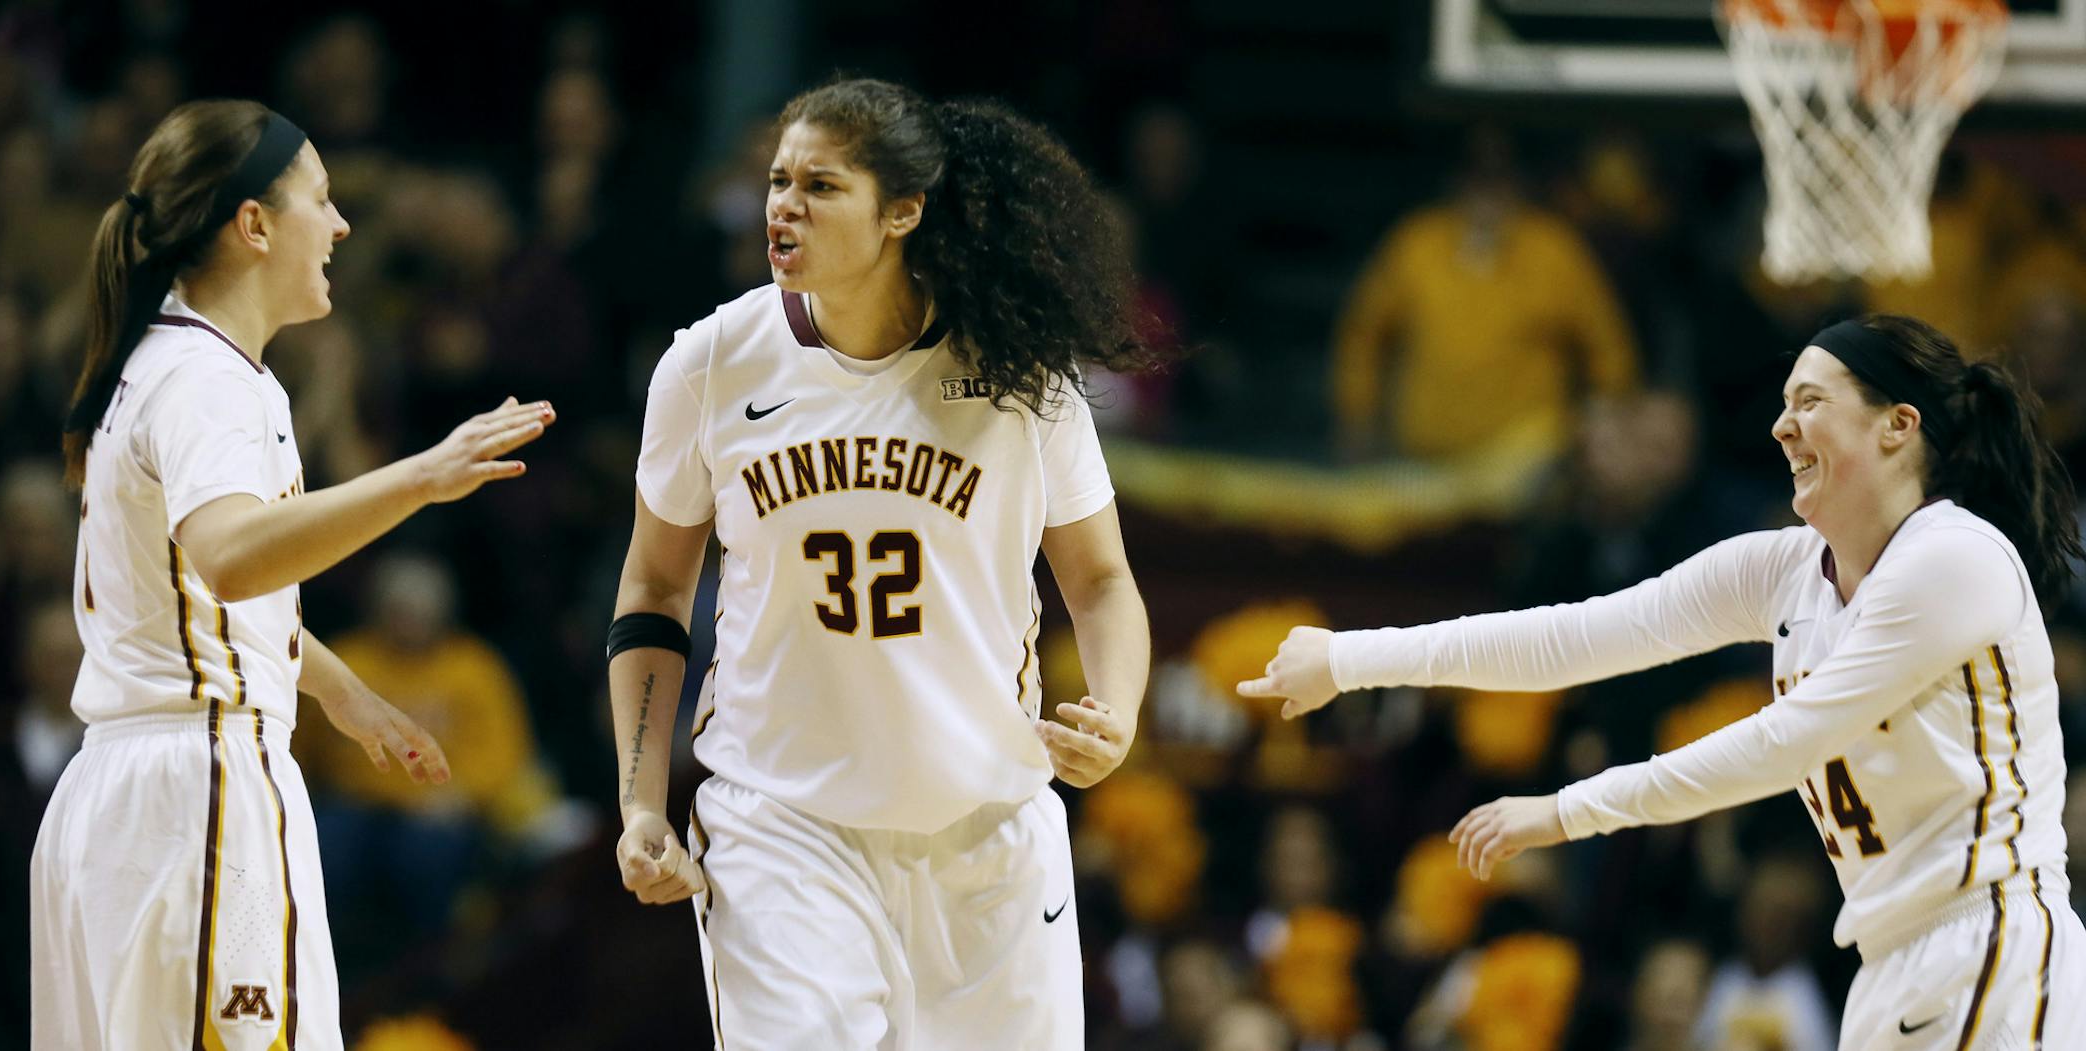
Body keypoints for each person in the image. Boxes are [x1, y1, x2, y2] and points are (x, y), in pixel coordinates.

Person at [1242, 314, 2086, 1047]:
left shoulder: (1954, 556)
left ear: (1898, 425)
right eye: (1784, 402)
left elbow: (1782, 743)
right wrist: (1351, 658)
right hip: (1890, 962)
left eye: (1812, 401)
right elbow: (1579, 636)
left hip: (1991, 941)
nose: (1782, 427)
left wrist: (1568, 810)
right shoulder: (1783, 570)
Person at [606, 77, 1154, 1049]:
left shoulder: (1019, 369)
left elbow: (1102, 581)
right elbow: (652, 588)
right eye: (779, 180)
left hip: (988, 828)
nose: (784, 203)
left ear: (902, 210)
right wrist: (641, 801)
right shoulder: (711, 362)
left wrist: (1115, 710)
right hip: (783, 824)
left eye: (822, 185)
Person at [32, 100, 555, 1050]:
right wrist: (422, 477)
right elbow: (233, 556)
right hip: (202, 791)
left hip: (115, 801)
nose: (343, 224)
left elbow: (191, 584)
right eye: (323, 198)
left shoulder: (154, 363)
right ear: (254, 224)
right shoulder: (211, 379)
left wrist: (345, 694)